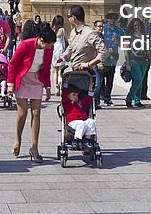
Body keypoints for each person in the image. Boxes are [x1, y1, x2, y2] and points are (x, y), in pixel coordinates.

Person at [7, 26, 56, 162]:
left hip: (37, 79)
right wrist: (10, 84)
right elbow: (13, 63)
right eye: (47, 44)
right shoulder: (26, 45)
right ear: (41, 40)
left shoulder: (49, 48)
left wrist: (47, 86)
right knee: (22, 113)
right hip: (23, 79)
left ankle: (34, 147)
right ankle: (18, 140)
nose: (49, 48)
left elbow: (46, 68)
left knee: (36, 113)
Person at [59, 6, 106, 76]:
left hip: (85, 73)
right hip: (74, 72)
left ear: (74, 17)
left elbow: (104, 52)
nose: (68, 19)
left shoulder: (89, 33)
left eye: (68, 16)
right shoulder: (73, 32)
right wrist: (64, 56)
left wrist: (88, 64)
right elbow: (70, 47)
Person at [123, 18, 151, 108]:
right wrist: (128, 63)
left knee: (140, 81)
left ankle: (137, 101)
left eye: (138, 25)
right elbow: (126, 51)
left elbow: (148, 50)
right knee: (138, 79)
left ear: (141, 26)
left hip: (144, 61)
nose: (136, 27)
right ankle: (129, 98)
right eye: (134, 26)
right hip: (134, 61)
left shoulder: (145, 36)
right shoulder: (129, 36)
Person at [62, 85, 97, 149]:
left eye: (77, 95)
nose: (75, 97)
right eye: (73, 95)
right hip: (72, 122)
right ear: (68, 96)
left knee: (91, 121)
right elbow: (64, 94)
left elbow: (88, 100)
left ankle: (87, 140)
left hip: (82, 121)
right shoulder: (67, 103)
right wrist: (65, 84)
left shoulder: (79, 104)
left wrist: (90, 90)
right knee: (81, 123)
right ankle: (76, 140)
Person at [51, 15, 67, 96]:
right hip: (60, 49)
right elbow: (65, 40)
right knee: (61, 71)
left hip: (54, 49)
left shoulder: (52, 29)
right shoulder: (62, 30)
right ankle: (60, 85)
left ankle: (56, 87)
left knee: (55, 71)